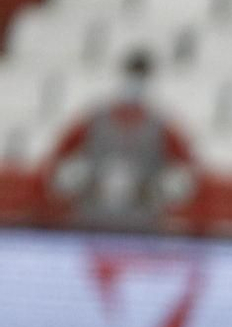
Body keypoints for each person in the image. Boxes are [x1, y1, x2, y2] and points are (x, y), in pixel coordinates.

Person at [43, 52, 196, 232]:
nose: (135, 84)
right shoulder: (94, 121)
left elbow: (186, 174)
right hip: (92, 216)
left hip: (142, 221)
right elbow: (59, 162)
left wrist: (160, 192)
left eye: (141, 77)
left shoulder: (161, 127)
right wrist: (76, 184)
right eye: (132, 76)